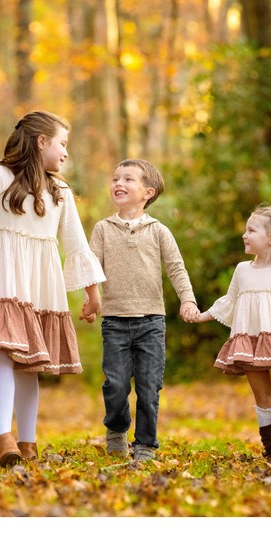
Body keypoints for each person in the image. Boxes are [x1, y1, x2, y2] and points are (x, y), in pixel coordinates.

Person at [0, 111, 105, 467]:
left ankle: (28, 444)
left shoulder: (60, 191)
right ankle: (4, 438)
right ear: (41, 141)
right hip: (1, 278)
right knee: (0, 353)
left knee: (30, 365)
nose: (66, 153)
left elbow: (75, 245)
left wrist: (92, 294)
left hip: (40, 287)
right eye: (62, 143)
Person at [191, 202, 271, 464]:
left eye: (251, 230)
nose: (244, 235)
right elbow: (229, 301)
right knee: (263, 396)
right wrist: (202, 315)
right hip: (250, 342)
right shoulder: (242, 270)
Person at [89, 159, 198, 462]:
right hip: (115, 320)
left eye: (128, 179)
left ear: (147, 192)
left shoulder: (158, 231)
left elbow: (176, 268)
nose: (118, 183)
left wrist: (187, 299)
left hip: (152, 320)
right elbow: (92, 269)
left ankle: (146, 445)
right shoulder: (102, 229)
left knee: (150, 388)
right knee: (116, 384)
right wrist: (91, 299)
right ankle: (116, 429)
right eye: (115, 179)